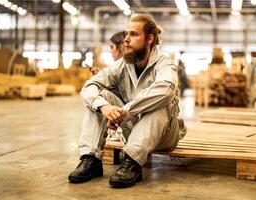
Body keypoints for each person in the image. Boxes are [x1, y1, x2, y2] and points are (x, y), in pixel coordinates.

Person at [68, 14, 184, 188]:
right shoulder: (123, 64)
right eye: (126, 34)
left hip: (163, 135)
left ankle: (133, 163)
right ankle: (90, 159)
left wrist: (125, 111)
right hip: (133, 130)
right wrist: (104, 107)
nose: (126, 40)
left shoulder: (165, 64)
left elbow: (166, 89)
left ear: (150, 39)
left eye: (133, 34)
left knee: (161, 100)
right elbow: (89, 86)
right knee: (99, 98)